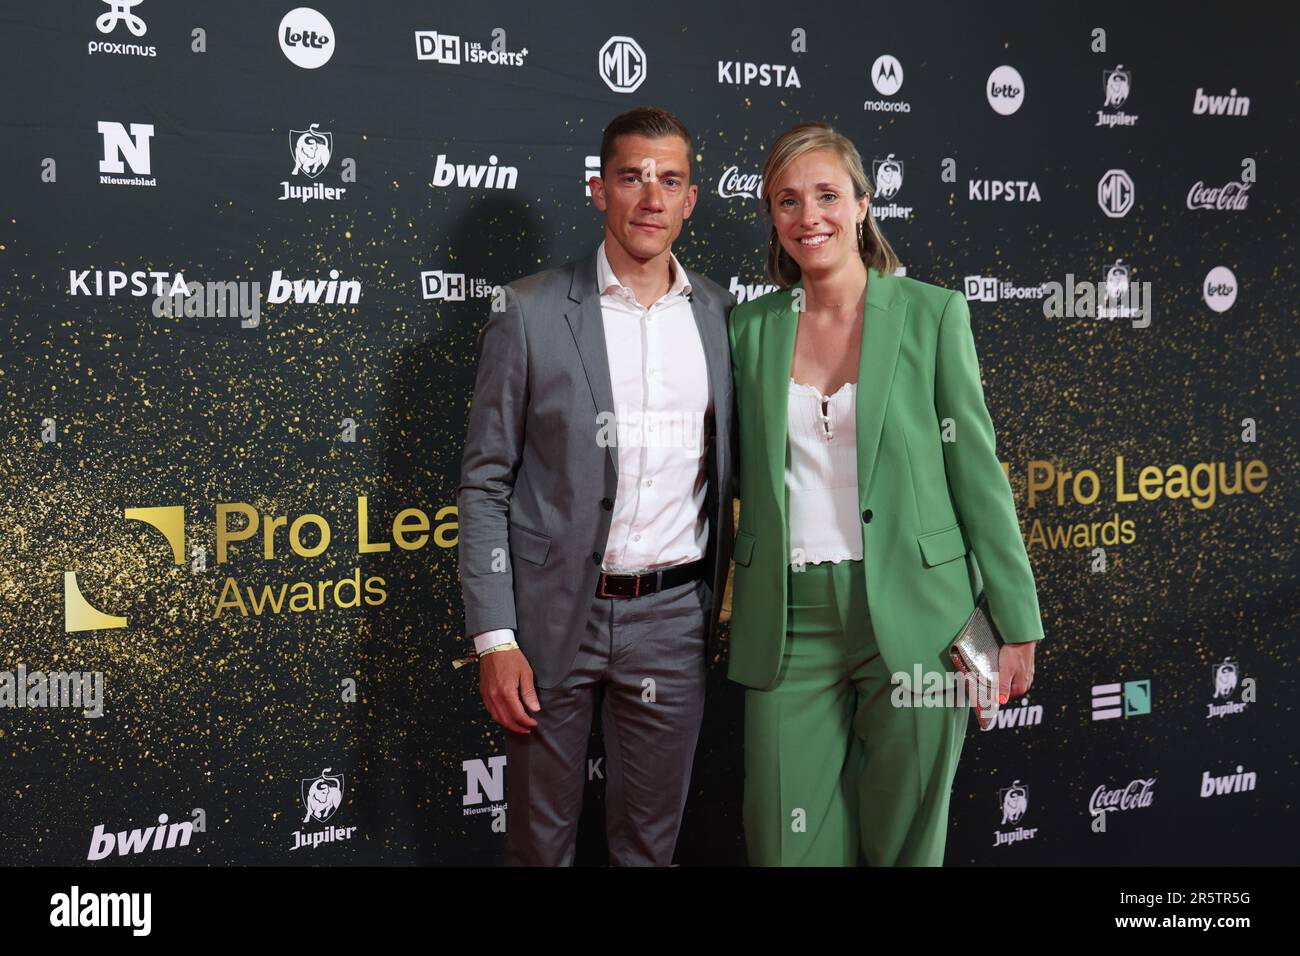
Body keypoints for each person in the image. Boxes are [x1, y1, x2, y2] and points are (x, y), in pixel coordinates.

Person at [727, 121, 1045, 866]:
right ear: (772, 218)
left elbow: (977, 472)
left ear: (863, 205)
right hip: (789, 623)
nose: (811, 217)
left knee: (906, 847)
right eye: (788, 202)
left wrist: (1015, 619)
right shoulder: (749, 330)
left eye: (828, 195)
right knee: (784, 845)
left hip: (919, 621)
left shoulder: (933, 315)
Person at [457, 106, 736, 866]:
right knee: (539, 848)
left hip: (674, 623)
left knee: (649, 849)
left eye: (669, 180)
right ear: (598, 190)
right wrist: (496, 638)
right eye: (632, 177)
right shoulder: (530, 310)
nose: (651, 197)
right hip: (551, 623)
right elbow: (484, 484)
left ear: (690, 199)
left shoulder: (720, 315)